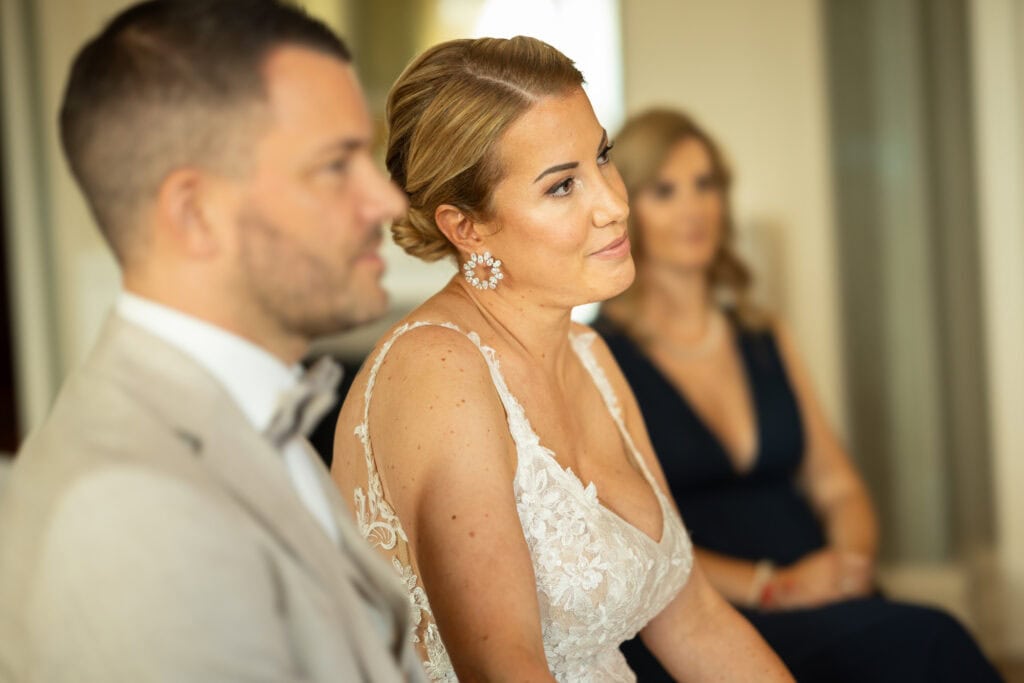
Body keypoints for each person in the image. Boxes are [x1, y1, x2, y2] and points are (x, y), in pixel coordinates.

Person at [330, 37, 793, 682]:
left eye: (603, 158)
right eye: (563, 186)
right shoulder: (436, 373)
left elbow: (694, 621)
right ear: (466, 227)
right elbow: (503, 670)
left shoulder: (591, 355)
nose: (615, 204)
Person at [0, 1, 424, 681]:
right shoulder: (129, 508)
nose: (388, 201)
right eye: (336, 165)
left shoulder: (260, 412)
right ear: (193, 213)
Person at [595, 108, 1002, 682]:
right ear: (627, 207)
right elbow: (631, 543)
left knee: (920, 638)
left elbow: (835, 483)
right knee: (932, 638)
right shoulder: (597, 352)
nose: (694, 208)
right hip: (711, 613)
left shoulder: (762, 334)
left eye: (705, 184)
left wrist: (848, 564)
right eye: (665, 190)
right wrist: (774, 587)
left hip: (823, 589)